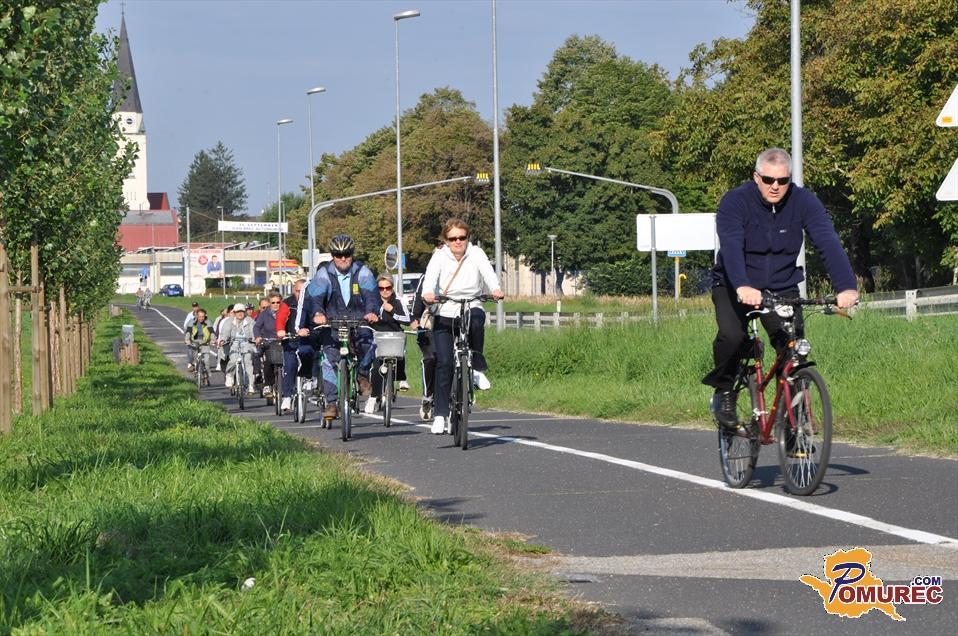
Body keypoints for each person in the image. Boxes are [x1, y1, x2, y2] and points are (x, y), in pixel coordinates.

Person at [704, 147, 859, 427]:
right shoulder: (735, 201)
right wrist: (742, 285)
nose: (775, 186)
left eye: (782, 181)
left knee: (793, 350)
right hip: (734, 283)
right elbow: (731, 246)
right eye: (768, 180)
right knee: (731, 336)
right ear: (756, 177)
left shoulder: (803, 202)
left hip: (781, 287)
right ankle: (724, 391)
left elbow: (827, 241)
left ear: (790, 179)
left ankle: (792, 424)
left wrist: (846, 287)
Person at [422, 219, 504, 434]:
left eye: (462, 237)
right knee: (444, 364)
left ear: (468, 238)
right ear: (446, 240)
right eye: (453, 238)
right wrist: (428, 293)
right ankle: (440, 415)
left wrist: (495, 289)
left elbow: (488, 273)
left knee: (477, 320)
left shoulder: (476, 253)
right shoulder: (440, 256)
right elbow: (430, 277)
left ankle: (475, 367)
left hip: (471, 304)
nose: (458, 242)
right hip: (446, 309)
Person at [302, 234, 379, 420]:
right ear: (332, 255)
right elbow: (315, 298)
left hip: (358, 320)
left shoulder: (363, 272)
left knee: (369, 344)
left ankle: (362, 375)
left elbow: (371, 295)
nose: (343, 258)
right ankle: (331, 403)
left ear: (352, 254)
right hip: (332, 322)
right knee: (329, 359)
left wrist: (371, 312)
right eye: (338, 255)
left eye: (347, 254)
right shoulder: (323, 274)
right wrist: (318, 314)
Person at [365, 274, 411, 414]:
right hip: (377, 336)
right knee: (377, 365)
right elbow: (364, 316)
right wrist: (370, 318)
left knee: (400, 353)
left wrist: (392, 311)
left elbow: (407, 320)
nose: (385, 291)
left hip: (394, 336)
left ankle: (401, 378)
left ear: (392, 287)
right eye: (381, 288)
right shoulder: (372, 301)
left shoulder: (398, 301)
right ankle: (373, 397)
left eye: (388, 287)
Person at [408, 246, 442, 421]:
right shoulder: (426, 277)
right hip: (430, 324)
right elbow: (417, 299)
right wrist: (414, 318)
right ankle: (428, 396)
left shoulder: (458, 277)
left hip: (451, 322)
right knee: (430, 358)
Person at [275, 279, 313, 413]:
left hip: (307, 339)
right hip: (290, 340)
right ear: (293, 291)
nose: (300, 294)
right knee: (289, 366)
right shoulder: (287, 303)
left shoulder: (312, 303)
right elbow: (281, 318)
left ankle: (309, 378)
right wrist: (280, 331)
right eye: (297, 291)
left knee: (309, 354)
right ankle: (287, 396)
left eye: (303, 291)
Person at [218, 303, 257, 394]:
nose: (240, 314)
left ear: (245, 312)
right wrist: (223, 340)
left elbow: (254, 332)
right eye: (238, 312)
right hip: (233, 344)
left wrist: (255, 340)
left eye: (242, 312)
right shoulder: (229, 321)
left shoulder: (249, 321)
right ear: (234, 313)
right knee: (233, 359)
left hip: (247, 344)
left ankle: (250, 385)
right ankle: (229, 375)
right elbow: (225, 332)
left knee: (248, 362)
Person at [254, 292, 283, 398]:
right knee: (268, 361)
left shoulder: (286, 312)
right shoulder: (265, 314)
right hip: (269, 342)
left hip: (283, 342)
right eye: (273, 302)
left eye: (278, 302)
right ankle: (268, 384)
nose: (275, 305)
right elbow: (257, 326)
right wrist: (258, 336)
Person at [184, 308, 212, 375]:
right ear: (196, 316)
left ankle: (207, 374)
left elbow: (212, 332)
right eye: (199, 316)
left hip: (205, 342)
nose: (201, 318)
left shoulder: (208, 322)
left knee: (206, 360)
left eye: (203, 316)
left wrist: (213, 339)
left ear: (205, 316)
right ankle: (197, 370)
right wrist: (187, 339)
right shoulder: (192, 322)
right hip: (195, 341)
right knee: (195, 358)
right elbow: (188, 331)